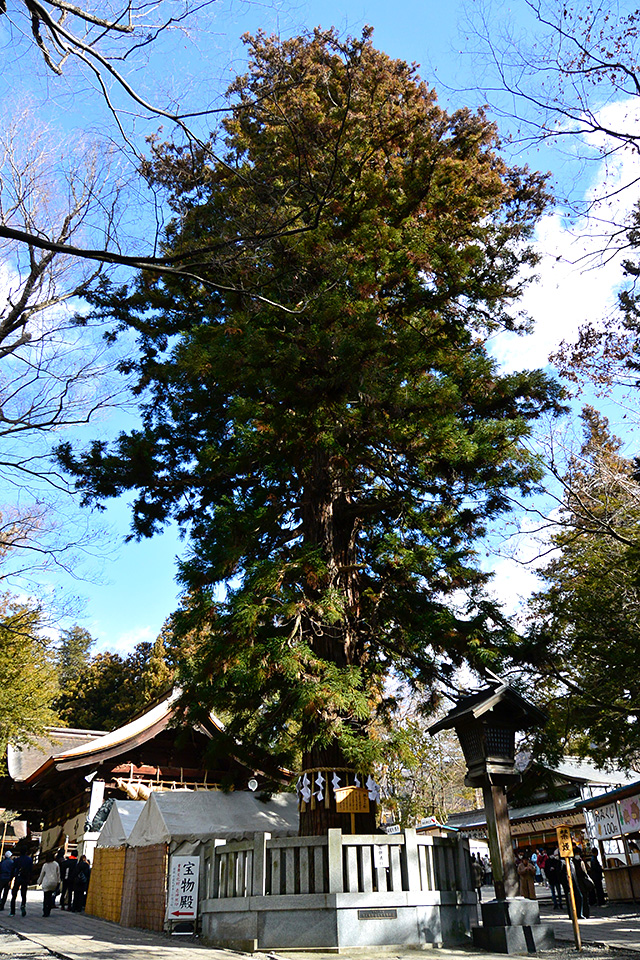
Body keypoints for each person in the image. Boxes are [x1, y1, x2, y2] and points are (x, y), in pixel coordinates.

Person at [9, 847, 33, 917]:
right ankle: (23, 905)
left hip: (18, 877)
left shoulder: (17, 860)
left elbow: (13, 869)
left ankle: (12, 911)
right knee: (23, 893)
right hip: (25, 878)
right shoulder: (29, 860)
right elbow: (31, 870)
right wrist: (30, 878)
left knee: (14, 894)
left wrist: (11, 878)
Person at [38, 852, 61, 918]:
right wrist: (58, 882)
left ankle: (45, 911)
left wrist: (39, 881)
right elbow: (58, 874)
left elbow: (42, 874)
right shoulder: (56, 864)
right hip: (54, 882)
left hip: (47, 882)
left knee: (46, 897)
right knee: (50, 896)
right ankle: (49, 909)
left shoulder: (45, 865)